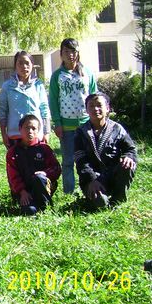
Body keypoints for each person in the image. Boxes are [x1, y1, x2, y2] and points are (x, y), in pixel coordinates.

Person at [49, 38, 97, 194]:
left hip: (86, 124)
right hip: (66, 126)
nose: (70, 55)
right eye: (66, 51)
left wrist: (95, 121)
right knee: (68, 161)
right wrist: (57, 123)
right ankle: (69, 192)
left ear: (78, 53)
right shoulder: (57, 76)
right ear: (61, 54)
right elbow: (53, 100)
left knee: (88, 159)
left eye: (73, 51)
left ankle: (89, 188)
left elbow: (94, 97)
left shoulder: (87, 73)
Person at [75, 92, 137, 209]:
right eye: (91, 106)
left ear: (107, 108)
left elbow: (130, 149)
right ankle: (97, 197)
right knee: (101, 204)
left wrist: (129, 156)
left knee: (127, 164)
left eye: (99, 105)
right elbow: (81, 160)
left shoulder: (117, 129)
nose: (95, 109)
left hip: (113, 175)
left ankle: (118, 198)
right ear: (86, 110)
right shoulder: (81, 132)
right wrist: (92, 179)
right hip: (92, 179)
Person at [6, 114, 61, 215]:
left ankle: (46, 207)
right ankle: (31, 205)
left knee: (39, 178)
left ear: (38, 130)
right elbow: (12, 176)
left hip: (42, 187)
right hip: (24, 191)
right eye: (27, 128)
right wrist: (22, 192)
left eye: (33, 128)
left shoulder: (45, 149)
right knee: (30, 211)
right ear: (20, 129)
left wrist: (45, 173)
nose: (30, 131)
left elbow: (56, 168)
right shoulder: (13, 152)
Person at [0, 51, 50, 148]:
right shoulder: (7, 86)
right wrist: (3, 134)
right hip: (15, 135)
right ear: (15, 66)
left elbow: (45, 109)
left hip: (35, 135)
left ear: (32, 65)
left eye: (27, 63)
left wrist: (46, 132)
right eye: (20, 63)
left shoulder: (38, 85)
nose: (24, 66)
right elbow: (2, 111)